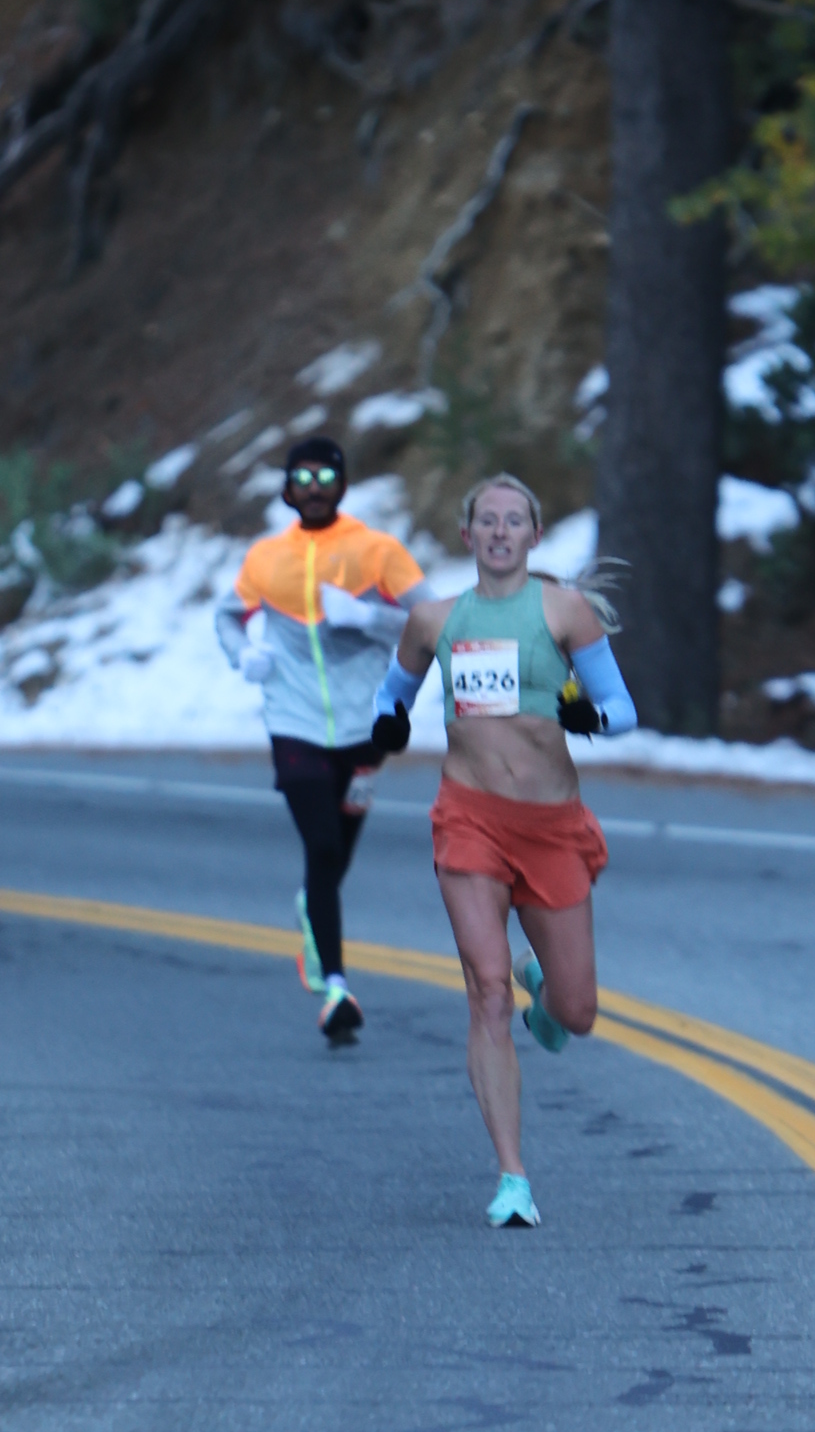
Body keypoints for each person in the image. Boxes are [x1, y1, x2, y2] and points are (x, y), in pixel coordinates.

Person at [371, 470, 638, 1224]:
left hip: (550, 825)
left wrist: (590, 718)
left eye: (513, 520)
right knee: (486, 992)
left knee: (577, 1012)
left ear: (534, 535)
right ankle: (512, 1178)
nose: (498, 531)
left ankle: (542, 988)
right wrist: (390, 721)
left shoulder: (564, 612)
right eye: (486, 520)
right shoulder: (434, 621)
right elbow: (393, 694)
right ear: (467, 535)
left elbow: (622, 707)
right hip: (470, 819)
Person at [216, 438, 426, 1045]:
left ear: (343, 485)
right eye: (302, 478)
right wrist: (244, 654)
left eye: (325, 476)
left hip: (366, 729)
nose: (314, 488)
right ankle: (336, 988)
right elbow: (227, 616)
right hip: (294, 723)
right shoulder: (265, 558)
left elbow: (433, 620)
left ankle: (313, 908)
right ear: (286, 489)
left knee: (333, 860)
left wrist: (369, 618)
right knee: (322, 843)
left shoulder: (377, 551)